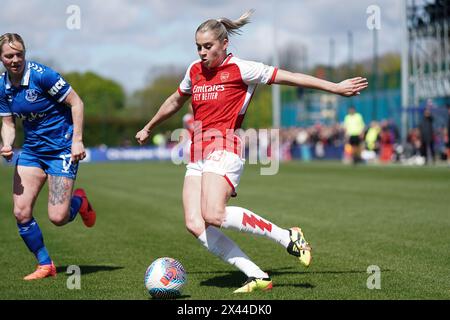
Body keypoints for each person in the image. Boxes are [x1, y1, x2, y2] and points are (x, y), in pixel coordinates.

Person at [135, 10, 368, 293]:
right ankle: (257, 275)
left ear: (224, 44)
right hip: (196, 152)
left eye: (208, 46)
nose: (202, 52)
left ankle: (288, 237)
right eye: (198, 47)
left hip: (225, 146)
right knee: (194, 223)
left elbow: (290, 77)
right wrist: (149, 126)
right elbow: (175, 100)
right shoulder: (193, 71)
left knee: (214, 214)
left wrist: (334, 87)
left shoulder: (242, 69)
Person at [0, 33, 96, 280]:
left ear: (25, 53)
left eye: (19, 54)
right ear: (1, 58)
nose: (15, 59)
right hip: (32, 152)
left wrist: (77, 141)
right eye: (9, 55)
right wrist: (7, 144)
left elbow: (77, 103)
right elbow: (9, 124)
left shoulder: (43, 76)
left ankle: (80, 202)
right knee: (21, 212)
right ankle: (45, 264)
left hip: (61, 150)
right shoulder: (2, 87)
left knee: (58, 217)